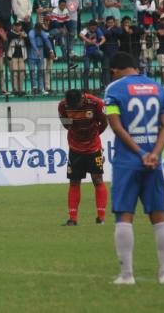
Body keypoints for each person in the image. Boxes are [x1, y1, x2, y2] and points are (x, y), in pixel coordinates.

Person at [103, 51, 164, 286]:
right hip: (154, 161)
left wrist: (140, 153)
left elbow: (115, 126)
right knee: (159, 216)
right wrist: (154, 153)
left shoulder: (113, 90)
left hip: (128, 161)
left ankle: (127, 275)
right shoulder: (157, 87)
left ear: (114, 70)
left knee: (124, 215)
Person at [58, 89, 108, 226]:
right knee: (74, 181)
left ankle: (101, 218)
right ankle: (72, 219)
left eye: (76, 105)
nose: (74, 108)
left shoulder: (96, 103)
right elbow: (66, 124)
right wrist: (77, 133)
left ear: (82, 99)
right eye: (71, 106)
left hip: (93, 148)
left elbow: (104, 123)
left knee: (97, 179)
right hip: (75, 148)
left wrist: (94, 136)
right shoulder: (63, 106)